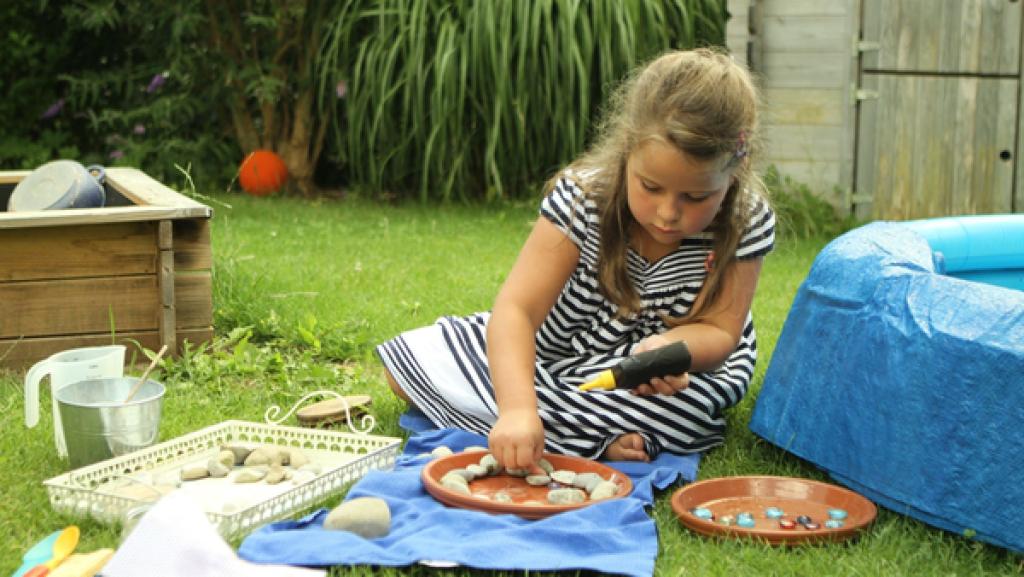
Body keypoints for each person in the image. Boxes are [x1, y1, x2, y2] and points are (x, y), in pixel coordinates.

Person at [377, 48, 775, 472]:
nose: (668, 212)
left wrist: (670, 352)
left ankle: (580, 431)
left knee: (689, 406)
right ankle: (593, 435)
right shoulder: (583, 199)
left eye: (695, 197)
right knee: (405, 371)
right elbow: (516, 311)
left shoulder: (745, 218)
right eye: (650, 186)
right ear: (627, 151)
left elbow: (720, 332)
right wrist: (516, 410)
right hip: (557, 351)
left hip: (661, 380)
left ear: (736, 169)